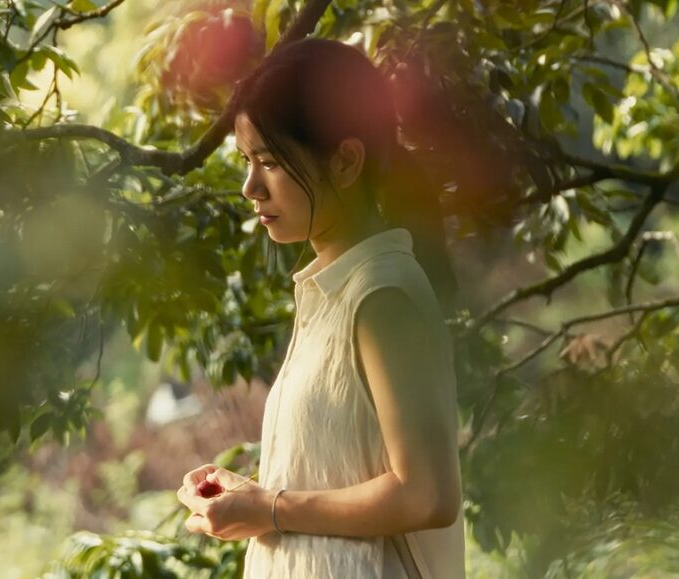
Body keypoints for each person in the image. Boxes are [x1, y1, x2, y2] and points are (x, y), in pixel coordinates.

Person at [175, 37, 465, 579]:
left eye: (269, 162)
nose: (249, 187)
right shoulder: (333, 292)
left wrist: (269, 508)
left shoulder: (383, 295)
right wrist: (255, 500)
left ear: (346, 161)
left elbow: (426, 494)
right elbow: (337, 485)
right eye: (246, 161)